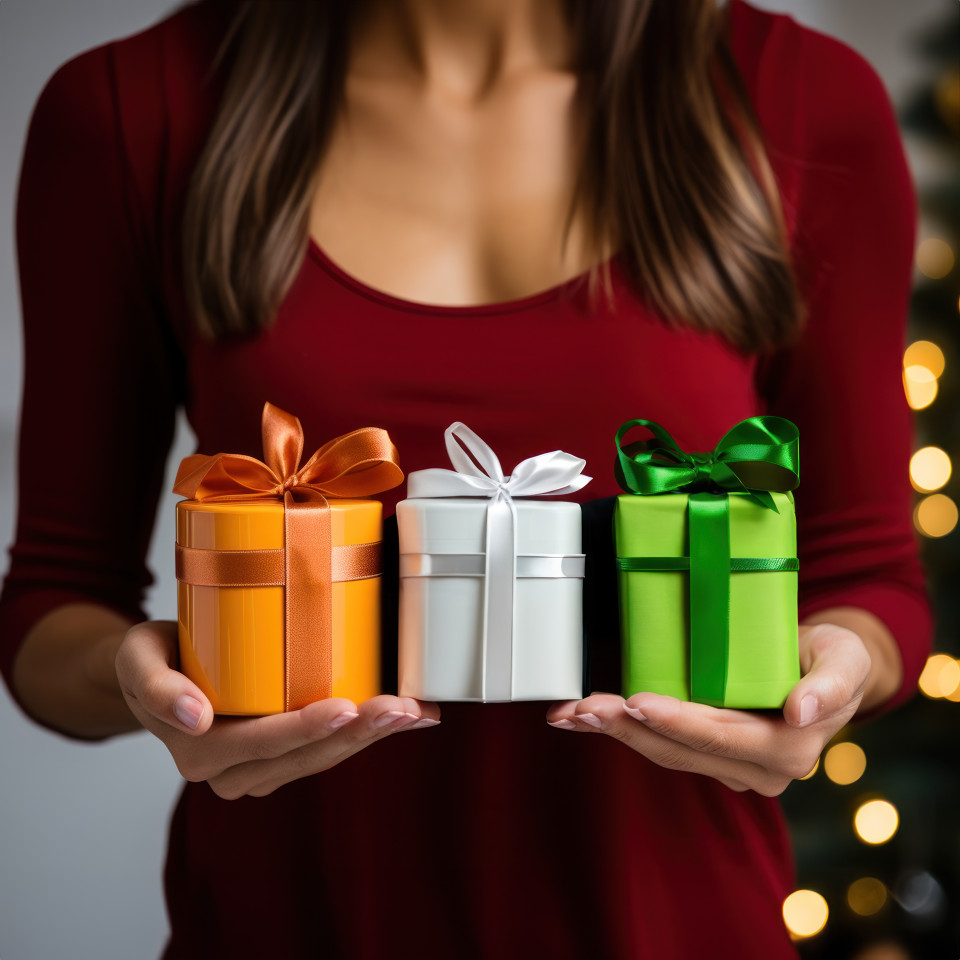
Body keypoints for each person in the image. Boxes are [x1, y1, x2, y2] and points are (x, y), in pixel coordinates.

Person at [0, 0, 931, 957]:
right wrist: (159, 684)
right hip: (283, 926)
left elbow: (871, 579)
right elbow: (53, 607)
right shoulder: (128, 110)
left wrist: (833, 675)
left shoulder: (803, 100)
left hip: (682, 927)